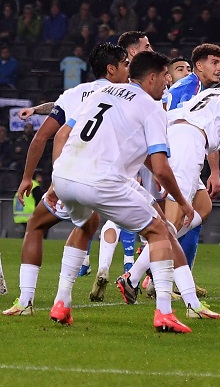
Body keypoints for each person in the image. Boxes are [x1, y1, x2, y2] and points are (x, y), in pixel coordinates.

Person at [45, 51, 199, 332]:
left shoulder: (103, 92)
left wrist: (55, 183)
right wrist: (182, 202)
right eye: (165, 76)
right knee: (159, 229)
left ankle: (62, 302)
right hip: (102, 180)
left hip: (66, 174)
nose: (167, 82)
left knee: (87, 223)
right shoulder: (152, 107)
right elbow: (163, 167)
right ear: (152, 78)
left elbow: (65, 135)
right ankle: (164, 312)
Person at [119, 67, 220, 313]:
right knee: (172, 221)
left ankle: (135, 275)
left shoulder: (217, 93)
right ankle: (145, 283)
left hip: (174, 135)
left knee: (202, 207)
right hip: (188, 143)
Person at [3, 44, 129, 316]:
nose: (128, 70)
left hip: (67, 176)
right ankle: (65, 297)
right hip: (103, 178)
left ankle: (26, 301)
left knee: (35, 226)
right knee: (93, 224)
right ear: (112, 68)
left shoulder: (73, 93)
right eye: (125, 64)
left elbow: (42, 137)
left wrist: (27, 178)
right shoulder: (128, 95)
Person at [91, 31, 153, 302]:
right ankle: (142, 276)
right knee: (159, 219)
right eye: (146, 45)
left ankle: (108, 266)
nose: (151, 48)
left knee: (112, 216)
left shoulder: (104, 88)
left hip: (112, 154)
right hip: (141, 152)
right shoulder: (136, 88)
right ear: (130, 53)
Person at [162, 43, 220, 272]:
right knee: (174, 221)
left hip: (188, 160)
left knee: (202, 208)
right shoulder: (188, 89)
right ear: (199, 66)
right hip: (178, 159)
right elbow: (179, 127)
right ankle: (152, 272)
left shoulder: (201, 90)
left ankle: (157, 262)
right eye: (214, 62)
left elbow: (206, 133)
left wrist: (215, 171)